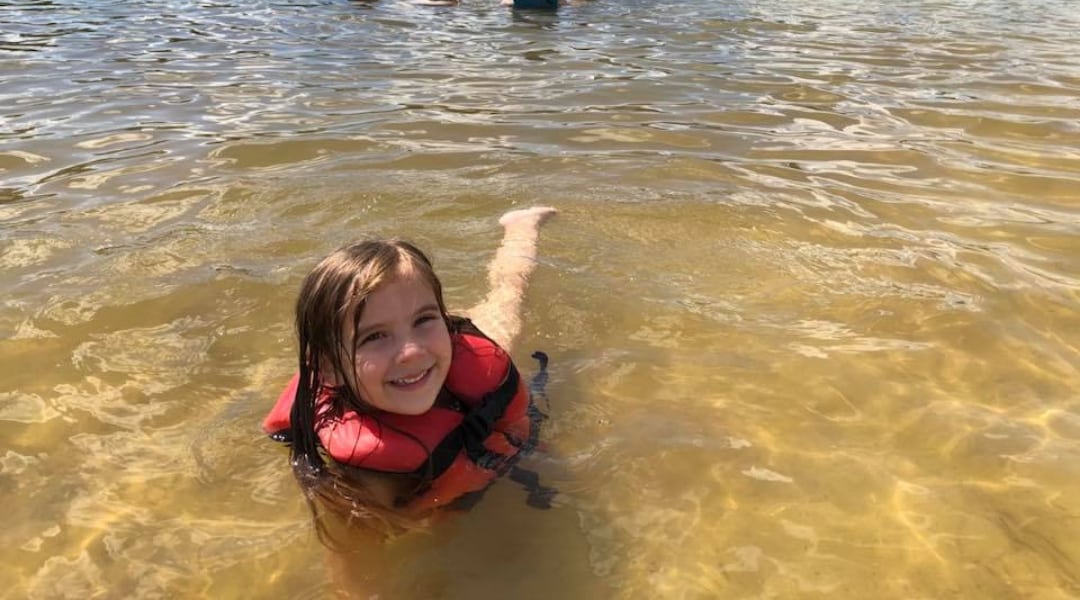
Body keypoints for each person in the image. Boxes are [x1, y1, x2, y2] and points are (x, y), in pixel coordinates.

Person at [262, 207, 558, 545]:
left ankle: (521, 226)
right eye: (374, 336)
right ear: (329, 369)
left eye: (424, 318)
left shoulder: (468, 359)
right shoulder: (367, 468)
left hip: (446, 365)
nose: (413, 350)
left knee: (509, 296)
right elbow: (354, 559)